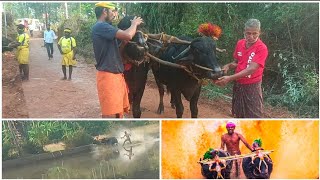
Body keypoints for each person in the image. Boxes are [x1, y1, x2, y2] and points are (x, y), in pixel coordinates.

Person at [91, 2, 143, 118]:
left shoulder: (106, 29)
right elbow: (129, 35)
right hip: (108, 77)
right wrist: (134, 24)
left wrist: (123, 44)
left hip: (116, 76)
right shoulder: (101, 26)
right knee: (110, 113)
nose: (115, 14)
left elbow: (117, 53)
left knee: (118, 112)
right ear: (105, 11)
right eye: (113, 11)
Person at [214, 19, 268, 118]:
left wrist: (229, 78)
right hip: (238, 84)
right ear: (244, 32)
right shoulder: (240, 43)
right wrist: (228, 66)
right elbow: (238, 62)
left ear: (259, 33)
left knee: (254, 115)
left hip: (252, 86)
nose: (251, 37)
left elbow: (251, 69)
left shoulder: (261, 48)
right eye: (248, 33)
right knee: (237, 113)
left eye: (254, 33)